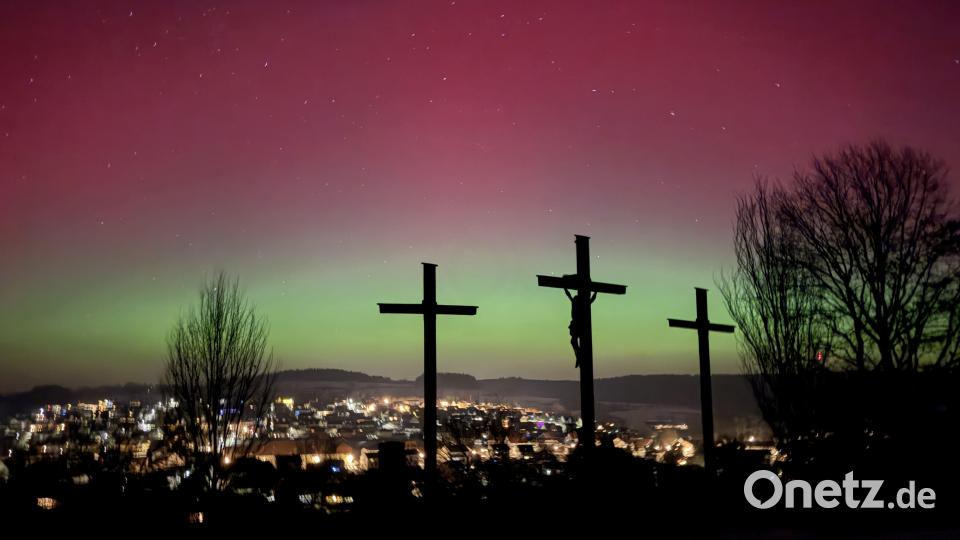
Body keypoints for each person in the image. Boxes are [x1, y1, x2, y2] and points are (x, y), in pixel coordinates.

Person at [564, 284, 596, 368]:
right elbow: (591, 300)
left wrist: (595, 292)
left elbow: (569, 296)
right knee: (573, 341)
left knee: (574, 341)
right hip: (577, 324)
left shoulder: (578, 301)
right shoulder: (578, 301)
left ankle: (579, 356)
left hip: (579, 324)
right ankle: (578, 355)